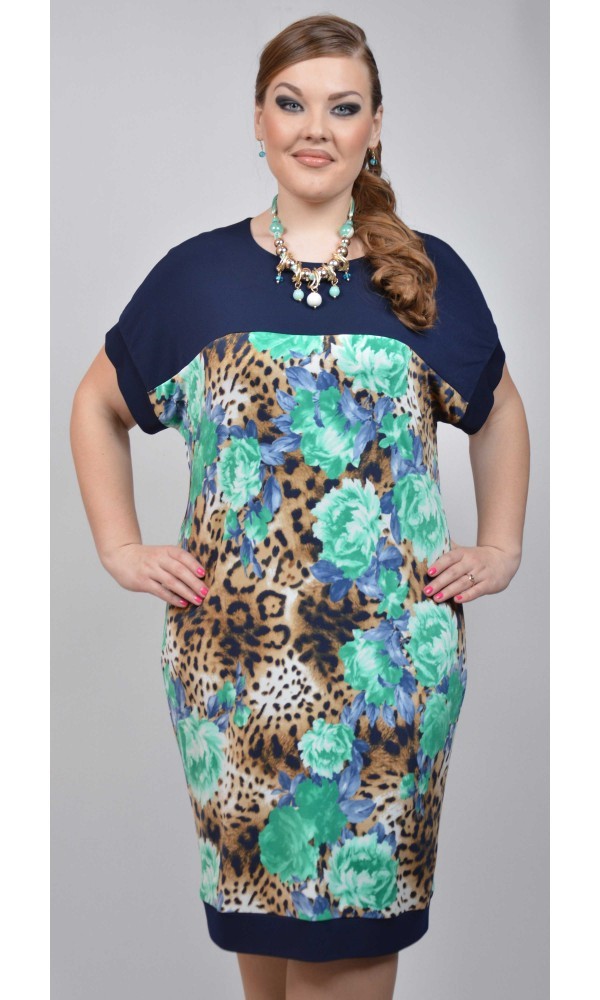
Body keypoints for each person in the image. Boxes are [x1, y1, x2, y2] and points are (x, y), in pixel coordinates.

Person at [70, 13, 529, 1000]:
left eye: (342, 107)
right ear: (258, 118)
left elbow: (498, 411)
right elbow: (97, 404)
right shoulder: (196, 277)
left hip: (387, 681)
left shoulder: (424, 274)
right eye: (292, 103)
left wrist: (501, 547)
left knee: (346, 959)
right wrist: (119, 548)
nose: (315, 128)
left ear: (374, 127)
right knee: (267, 961)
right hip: (232, 685)